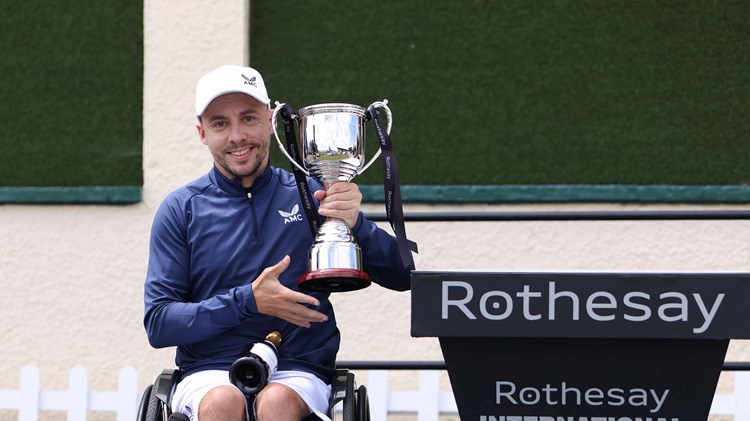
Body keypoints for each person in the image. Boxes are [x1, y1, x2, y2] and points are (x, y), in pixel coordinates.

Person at [143, 64, 414, 421]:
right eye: (220, 123)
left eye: (249, 118)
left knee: (275, 403)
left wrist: (355, 224)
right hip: (208, 372)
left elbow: (404, 275)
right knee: (224, 402)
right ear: (202, 133)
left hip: (297, 370)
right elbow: (160, 322)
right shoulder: (181, 208)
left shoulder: (311, 194)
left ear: (270, 120)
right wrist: (248, 301)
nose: (238, 135)